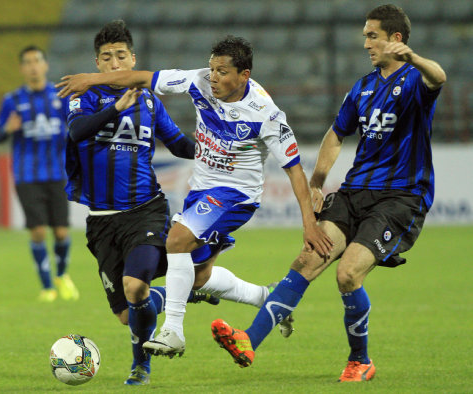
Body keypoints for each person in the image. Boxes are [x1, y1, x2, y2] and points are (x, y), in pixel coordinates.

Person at [209, 4, 446, 382]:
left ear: (395, 39)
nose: (365, 42)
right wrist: (318, 180)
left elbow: (439, 77)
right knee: (307, 259)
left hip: (400, 197)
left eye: (373, 35)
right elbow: (337, 133)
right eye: (365, 35)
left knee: (349, 273)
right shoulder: (364, 86)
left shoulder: (415, 80)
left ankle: (361, 361)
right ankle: (249, 339)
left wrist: (414, 58)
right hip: (354, 194)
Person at [57, 34, 333, 358]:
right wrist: (92, 80)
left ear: (244, 75)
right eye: (211, 69)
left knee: (177, 240)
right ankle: (269, 298)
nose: (213, 78)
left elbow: (295, 172)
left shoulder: (266, 115)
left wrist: (309, 224)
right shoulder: (198, 81)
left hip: (235, 194)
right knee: (199, 276)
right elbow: (142, 77)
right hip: (201, 188)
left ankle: (173, 330)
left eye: (222, 72)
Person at [0, 45, 79, 302]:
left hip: (57, 172)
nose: (33, 66)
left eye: (37, 61)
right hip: (27, 175)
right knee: (38, 231)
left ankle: (61, 275)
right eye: (28, 62)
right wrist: (7, 128)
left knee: (62, 232)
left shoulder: (60, 96)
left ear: (45, 65)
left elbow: (77, 125)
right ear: (22, 69)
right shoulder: (12, 100)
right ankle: (47, 288)